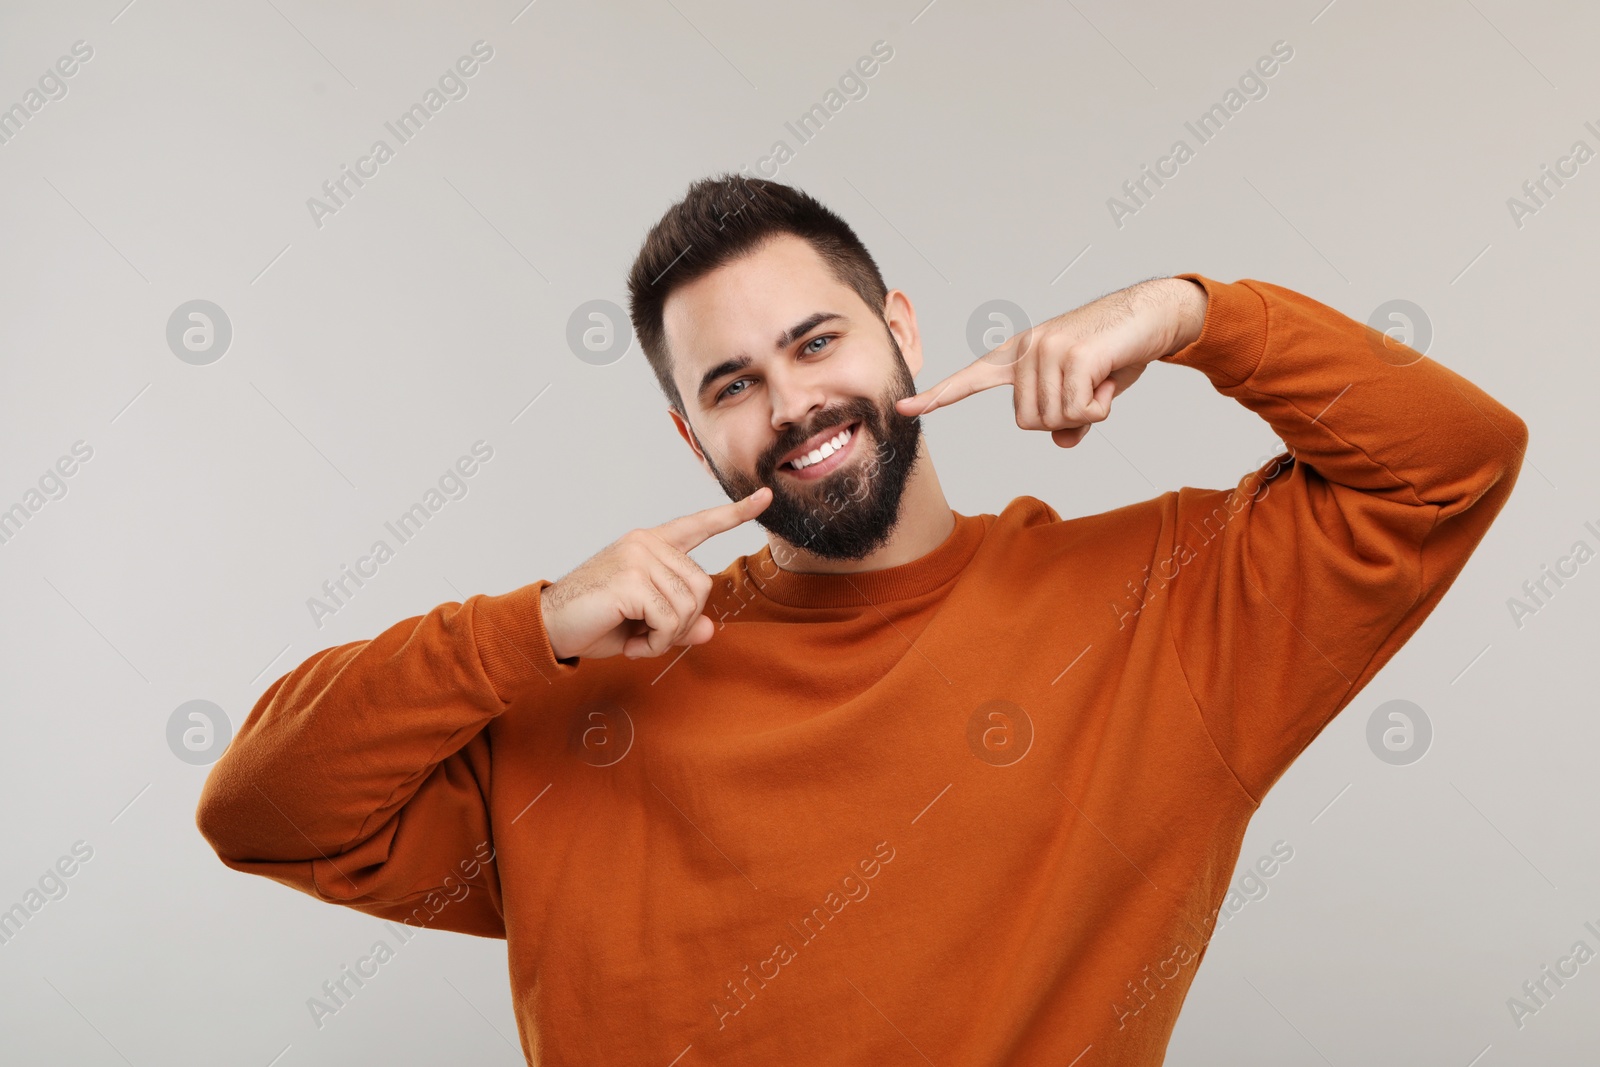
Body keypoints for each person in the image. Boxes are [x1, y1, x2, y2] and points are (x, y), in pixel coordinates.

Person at [195, 174, 1527, 1065]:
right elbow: (263, 810)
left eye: (818, 343)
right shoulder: (576, 702)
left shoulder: (1165, 611)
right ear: (690, 434)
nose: (791, 404)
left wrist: (1191, 315)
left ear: (899, 332)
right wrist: (528, 625)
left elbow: (1452, 459)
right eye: (733, 382)